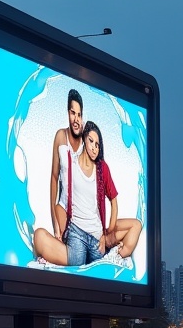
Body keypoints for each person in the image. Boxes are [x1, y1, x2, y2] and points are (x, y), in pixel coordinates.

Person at [33, 121, 142, 267]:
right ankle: (61, 256)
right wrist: (58, 230)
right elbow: (58, 191)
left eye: (97, 144)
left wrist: (107, 232)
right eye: (91, 141)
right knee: (40, 236)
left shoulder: (102, 168)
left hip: (98, 241)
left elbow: (114, 201)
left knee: (136, 225)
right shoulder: (71, 163)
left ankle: (113, 256)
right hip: (76, 235)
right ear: (84, 139)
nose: (94, 147)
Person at [49, 89, 83, 241]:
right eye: (72, 112)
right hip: (63, 207)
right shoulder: (60, 136)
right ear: (67, 113)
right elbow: (54, 178)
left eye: (79, 114)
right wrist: (55, 222)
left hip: (82, 212)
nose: (76, 118)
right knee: (48, 239)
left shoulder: (87, 141)